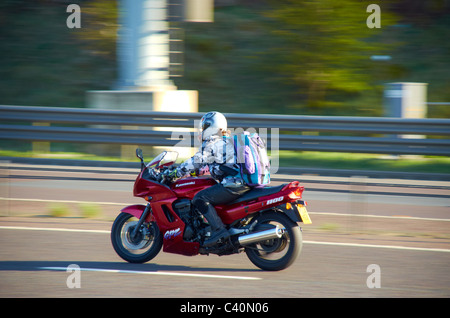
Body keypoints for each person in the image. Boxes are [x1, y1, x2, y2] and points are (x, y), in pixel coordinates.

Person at [166, 111, 250, 246]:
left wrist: (176, 173)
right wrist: (190, 174)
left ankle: (219, 231)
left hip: (233, 184)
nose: (202, 130)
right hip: (240, 182)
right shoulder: (224, 141)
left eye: (204, 126)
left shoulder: (213, 142)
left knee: (200, 198)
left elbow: (197, 160)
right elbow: (209, 166)